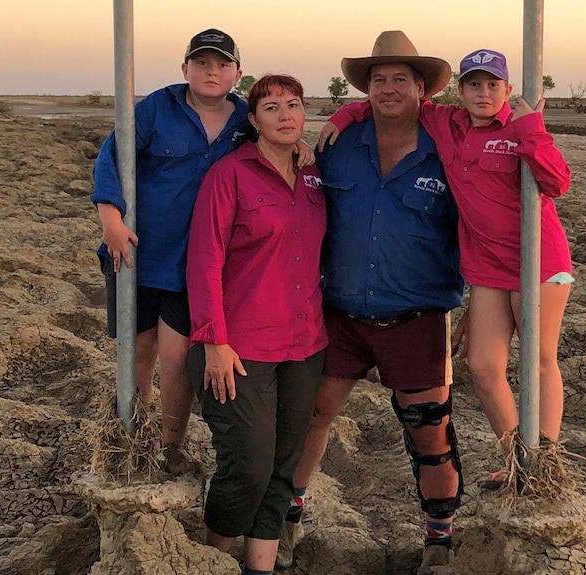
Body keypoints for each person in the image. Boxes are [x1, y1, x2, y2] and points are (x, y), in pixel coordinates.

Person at [322, 47, 573, 484]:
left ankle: (545, 463)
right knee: (482, 366)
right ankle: (518, 459)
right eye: (474, 84)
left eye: (492, 85)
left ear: (507, 90)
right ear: (460, 90)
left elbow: (556, 181)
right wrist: (344, 115)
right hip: (487, 269)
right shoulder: (447, 124)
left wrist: (531, 126)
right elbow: (390, 101)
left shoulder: (517, 128)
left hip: (537, 261)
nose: (482, 92)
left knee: (539, 360)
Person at [279, 31, 465, 574]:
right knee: (311, 417)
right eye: (378, 79)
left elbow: (477, 231)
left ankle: (439, 537)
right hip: (338, 315)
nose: (388, 88)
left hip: (417, 317)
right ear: (366, 90)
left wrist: (478, 307)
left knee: (429, 429)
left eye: (400, 79)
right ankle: (287, 522)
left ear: (422, 88)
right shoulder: (336, 150)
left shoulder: (447, 155)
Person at [91, 30, 310, 472]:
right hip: (137, 252)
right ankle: (131, 437)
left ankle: (171, 445)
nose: (212, 72)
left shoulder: (244, 121)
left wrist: (299, 144)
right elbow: (112, 154)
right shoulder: (158, 107)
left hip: (194, 264)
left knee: (175, 359)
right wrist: (110, 219)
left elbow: (274, 143)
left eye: (222, 65)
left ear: (237, 73)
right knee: (137, 354)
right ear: (185, 68)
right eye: (203, 64)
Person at [186, 74, 327, 575]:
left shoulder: (314, 175)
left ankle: (260, 566)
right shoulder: (230, 175)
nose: (285, 115)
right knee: (246, 465)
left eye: (294, 104)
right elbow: (204, 260)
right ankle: (209, 559)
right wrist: (214, 342)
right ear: (253, 120)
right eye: (272, 107)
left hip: (306, 342)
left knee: (283, 468)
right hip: (239, 346)